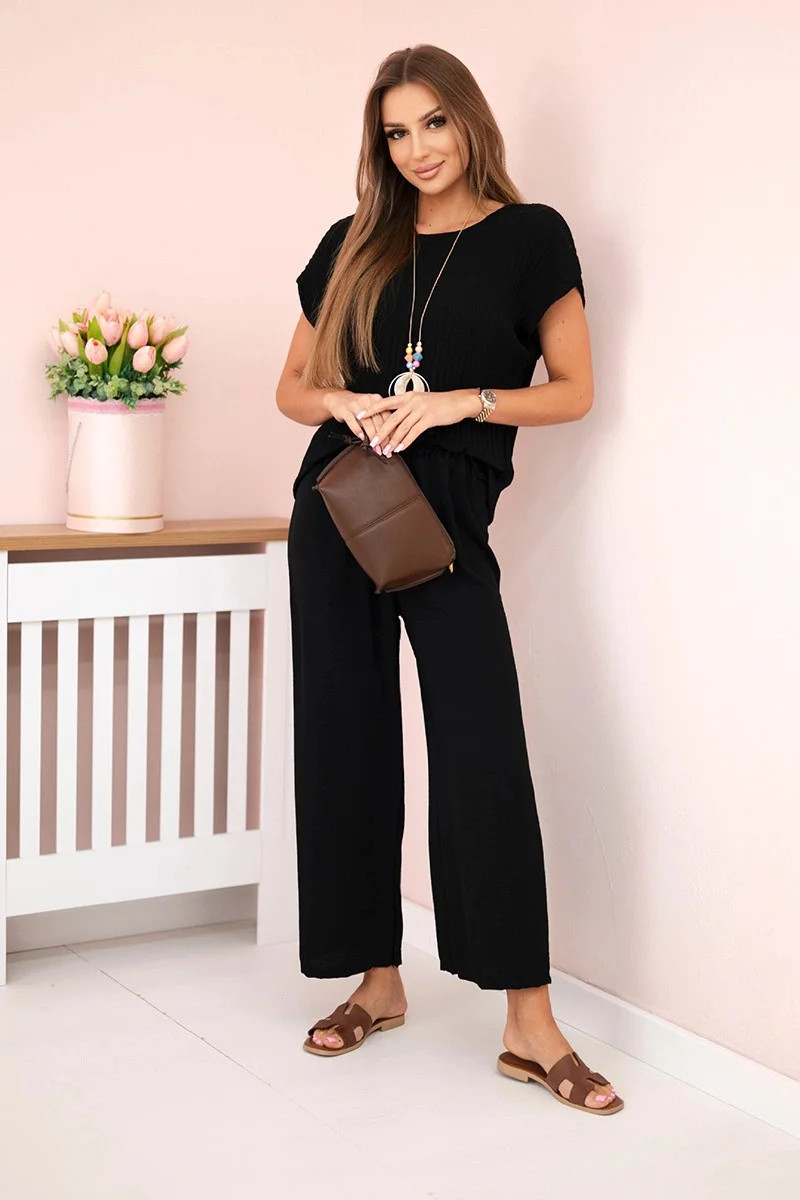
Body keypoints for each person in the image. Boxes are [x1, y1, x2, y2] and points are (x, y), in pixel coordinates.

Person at [276, 44, 623, 1115]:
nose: (417, 148)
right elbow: (291, 388)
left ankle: (528, 1021)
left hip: (450, 521)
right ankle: (374, 981)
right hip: (339, 507)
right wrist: (345, 402)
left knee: (481, 751)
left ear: (469, 119)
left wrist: (454, 402)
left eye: (433, 122)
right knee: (344, 736)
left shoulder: (530, 237)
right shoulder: (351, 241)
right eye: (396, 132)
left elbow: (572, 390)